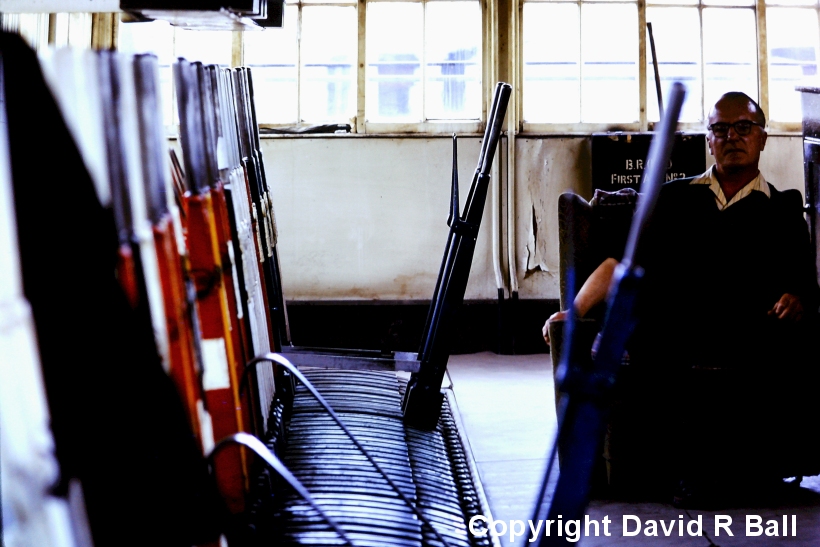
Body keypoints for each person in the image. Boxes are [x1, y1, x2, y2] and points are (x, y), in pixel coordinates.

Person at [544, 91, 820, 502]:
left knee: (782, 340)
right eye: (720, 129)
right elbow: (617, 265)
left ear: (762, 138)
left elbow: (804, 287)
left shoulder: (782, 207)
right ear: (708, 141)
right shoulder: (676, 197)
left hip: (751, 325)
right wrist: (573, 310)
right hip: (677, 324)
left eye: (744, 127)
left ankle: (747, 472)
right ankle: (689, 473)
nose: (732, 137)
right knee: (651, 326)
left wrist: (796, 299)